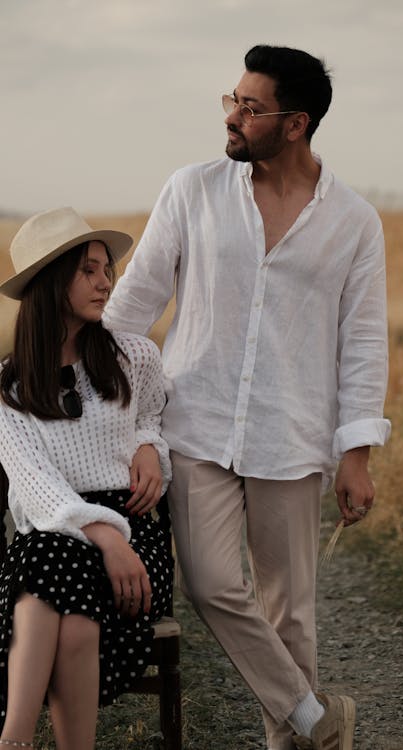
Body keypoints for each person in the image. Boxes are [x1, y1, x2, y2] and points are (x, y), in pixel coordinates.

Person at [104, 44, 391, 750]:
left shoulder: (354, 223)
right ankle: (319, 723)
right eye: (230, 99)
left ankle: (290, 741)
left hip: (291, 437)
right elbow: (131, 307)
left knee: (290, 615)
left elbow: (362, 343)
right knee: (210, 585)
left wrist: (355, 454)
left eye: (250, 108)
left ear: (295, 125)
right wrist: (89, 395)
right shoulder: (191, 190)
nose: (232, 117)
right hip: (194, 424)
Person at [0, 207, 174, 750]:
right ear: (54, 283)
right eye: (90, 271)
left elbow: (153, 417)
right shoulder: (11, 387)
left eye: (107, 270)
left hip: (134, 535)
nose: (105, 283)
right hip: (62, 532)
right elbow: (33, 484)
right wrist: (103, 536)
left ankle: (12, 740)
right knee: (60, 583)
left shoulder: (135, 357)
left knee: (50, 570)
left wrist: (150, 446)